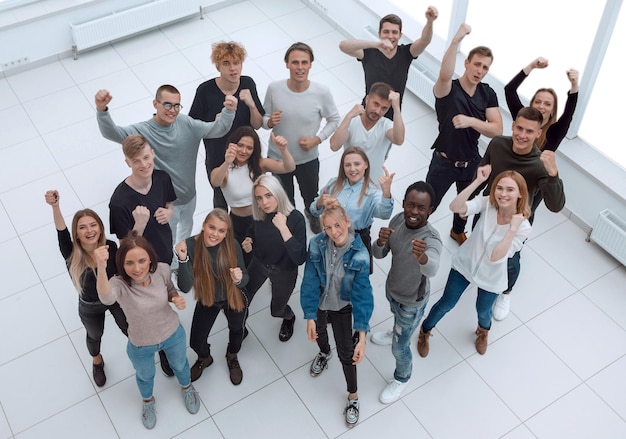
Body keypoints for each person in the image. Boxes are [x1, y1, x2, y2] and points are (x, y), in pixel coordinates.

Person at [95, 84, 237, 246]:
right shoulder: (143, 130)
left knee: (185, 232)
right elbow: (112, 133)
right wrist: (102, 110)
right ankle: (173, 266)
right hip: (165, 204)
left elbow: (216, 130)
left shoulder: (187, 124)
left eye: (177, 105)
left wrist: (229, 111)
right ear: (155, 104)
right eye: (167, 104)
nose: (172, 110)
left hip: (189, 196)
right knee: (166, 241)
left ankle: (183, 260)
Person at [418, 165, 531, 356]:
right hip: (465, 265)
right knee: (446, 303)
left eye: (510, 189)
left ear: (520, 193)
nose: (503, 194)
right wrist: (478, 181)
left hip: (491, 277)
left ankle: (483, 332)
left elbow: (496, 257)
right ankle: (425, 330)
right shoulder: (488, 204)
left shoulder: (523, 227)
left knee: (483, 311)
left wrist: (512, 230)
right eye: (499, 188)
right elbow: (455, 207)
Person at [95, 234, 200, 430]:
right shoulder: (119, 284)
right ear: (122, 264)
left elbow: (170, 289)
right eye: (130, 263)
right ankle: (148, 402)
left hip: (172, 333)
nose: (137, 268)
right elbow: (106, 298)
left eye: (142, 261)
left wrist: (174, 298)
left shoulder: (162, 270)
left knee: (180, 364)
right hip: (141, 343)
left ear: (150, 258)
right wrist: (100, 267)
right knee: (145, 375)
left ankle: (187, 388)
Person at [477, 107, 566, 320]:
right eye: (519, 128)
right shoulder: (497, 144)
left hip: (515, 223)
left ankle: (505, 292)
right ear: (513, 125)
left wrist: (553, 173)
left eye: (529, 131)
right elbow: (483, 174)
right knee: (480, 244)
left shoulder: (539, 164)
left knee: (510, 261)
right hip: (488, 212)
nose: (522, 135)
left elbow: (556, 206)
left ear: (538, 134)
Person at [425, 23, 503, 246]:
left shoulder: (487, 93)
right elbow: (444, 74)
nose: (480, 70)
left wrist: (471, 121)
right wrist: (455, 41)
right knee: (428, 202)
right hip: (444, 162)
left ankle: (457, 231)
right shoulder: (448, 89)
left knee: (467, 204)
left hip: (471, 162)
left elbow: (497, 129)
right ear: (466, 63)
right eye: (477, 64)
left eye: (485, 67)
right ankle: (415, 231)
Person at [300, 199, 374, 428]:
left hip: (343, 307)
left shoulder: (360, 255)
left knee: (346, 352)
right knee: (319, 332)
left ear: (347, 222)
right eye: (328, 228)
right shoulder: (316, 244)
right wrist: (310, 315)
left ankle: (353, 397)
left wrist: (362, 337)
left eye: (337, 225)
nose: (333, 232)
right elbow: (310, 281)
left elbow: (363, 297)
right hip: (321, 303)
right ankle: (324, 353)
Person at [108, 134, 176, 377]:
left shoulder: (162, 178)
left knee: (165, 299)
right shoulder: (119, 201)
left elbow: (170, 203)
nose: (144, 165)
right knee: (149, 309)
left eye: (147, 157)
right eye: (137, 161)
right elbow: (125, 248)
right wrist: (139, 225)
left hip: (164, 256)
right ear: (127, 162)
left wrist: (169, 213)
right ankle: (159, 350)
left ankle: (168, 342)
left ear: (153, 154)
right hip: (141, 269)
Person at [44, 190, 128, 388]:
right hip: (90, 304)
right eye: (82, 227)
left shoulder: (110, 246)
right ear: (77, 234)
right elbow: (61, 231)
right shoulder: (71, 253)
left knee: (129, 327)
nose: (89, 230)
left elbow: (119, 275)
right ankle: (97, 361)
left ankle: (148, 347)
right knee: (94, 335)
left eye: (93, 225)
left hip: (113, 297)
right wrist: (55, 207)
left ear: (100, 228)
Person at [370, 181, 442, 404]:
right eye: (410, 205)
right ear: (403, 204)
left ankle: (402, 377)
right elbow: (379, 253)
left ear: (430, 210)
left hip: (412, 301)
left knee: (400, 347)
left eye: (421, 208)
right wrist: (380, 242)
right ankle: (397, 330)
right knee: (397, 320)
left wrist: (422, 257)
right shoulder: (398, 220)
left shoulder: (431, 238)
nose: (414, 212)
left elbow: (432, 268)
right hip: (393, 290)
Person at [263, 42, 340, 234]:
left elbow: (334, 119)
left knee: (311, 195)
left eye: (304, 62)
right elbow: (263, 119)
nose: (300, 67)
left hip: (307, 158)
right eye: (295, 62)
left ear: (311, 64)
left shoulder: (321, 92)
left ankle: (312, 216)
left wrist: (317, 139)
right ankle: (290, 224)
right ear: (287, 64)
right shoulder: (274, 88)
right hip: (278, 159)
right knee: (284, 198)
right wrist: (270, 122)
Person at [175, 209, 249, 385]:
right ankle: (204, 358)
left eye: (221, 231)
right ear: (203, 226)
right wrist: (183, 259)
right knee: (195, 341)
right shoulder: (191, 246)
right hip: (208, 299)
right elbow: (184, 287)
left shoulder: (233, 245)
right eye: (212, 227)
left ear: (226, 233)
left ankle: (232, 356)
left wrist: (239, 279)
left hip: (232, 296)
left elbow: (245, 278)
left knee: (237, 329)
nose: (215, 234)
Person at [189, 41, 265, 210]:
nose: (233, 68)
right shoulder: (205, 91)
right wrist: (213, 124)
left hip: (246, 155)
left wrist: (252, 105)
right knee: (221, 205)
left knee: (254, 200)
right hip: (218, 158)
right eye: (226, 63)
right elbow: (192, 128)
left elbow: (258, 124)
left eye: (236, 63)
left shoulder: (248, 84)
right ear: (218, 67)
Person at [210, 126, 294, 266]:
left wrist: (283, 149)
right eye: (240, 146)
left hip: (261, 217)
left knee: (267, 252)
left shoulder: (259, 164)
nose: (243, 151)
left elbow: (289, 167)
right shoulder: (225, 170)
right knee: (240, 257)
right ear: (232, 145)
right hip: (237, 222)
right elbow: (215, 181)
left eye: (249, 148)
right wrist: (227, 162)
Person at [504, 57, 579, 212]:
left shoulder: (555, 131)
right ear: (532, 104)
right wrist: (531, 66)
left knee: (522, 221)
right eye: (538, 101)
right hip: (509, 178)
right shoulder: (522, 117)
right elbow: (509, 90)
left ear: (552, 110)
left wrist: (574, 85)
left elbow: (569, 112)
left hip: (531, 187)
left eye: (547, 104)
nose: (541, 106)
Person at [339, 7, 438, 119]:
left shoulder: (406, 53)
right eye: (386, 32)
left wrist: (430, 22)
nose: (390, 36)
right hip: (368, 109)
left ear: (400, 35)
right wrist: (376, 44)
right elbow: (343, 46)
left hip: (392, 113)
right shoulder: (369, 53)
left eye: (394, 32)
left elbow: (425, 40)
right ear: (379, 34)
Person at [242, 175, 307, 342]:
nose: (264, 202)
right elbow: (252, 228)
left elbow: (300, 258)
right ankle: (239, 328)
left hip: (284, 270)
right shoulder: (260, 214)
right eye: (259, 198)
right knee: (241, 300)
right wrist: (249, 238)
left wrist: (283, 229)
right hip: (259, 263)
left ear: (278, 193)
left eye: (268, 195)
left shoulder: (296, 218)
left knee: (276, 310)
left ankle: (289, 318)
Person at [310, 146, 394, 265]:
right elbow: (314, 210)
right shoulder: (333, 184)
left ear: (366, 165)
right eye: (348, 165)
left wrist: (386, 192)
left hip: (357, 239)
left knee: (355, 277)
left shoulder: (372, 192)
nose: (352, 169)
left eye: (357, 164)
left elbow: (385, 214)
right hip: (333, 235)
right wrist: (319, 203)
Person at [329, 82, 405, 182]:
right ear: (367, 99)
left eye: (384, 108)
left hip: (373, 184)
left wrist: (396, 108)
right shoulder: (351, 120)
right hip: (348, 182)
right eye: (376, 104)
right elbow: (334, 146)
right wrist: (349, 116)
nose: (378, 111)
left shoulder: (386, 125)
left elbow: (399, 140)